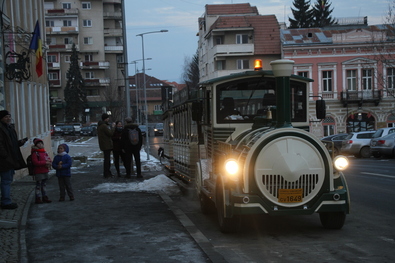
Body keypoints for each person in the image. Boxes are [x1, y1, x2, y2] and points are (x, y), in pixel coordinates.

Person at [0, 110, 28, 209]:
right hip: (5, 160)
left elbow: (11, 143)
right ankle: (6, 202)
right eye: (6, 117)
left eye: (9, 117)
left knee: (7, 180)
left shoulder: (10, 128)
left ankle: (6, 200)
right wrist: (5, 156)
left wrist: (20, 142)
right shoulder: (2, 128)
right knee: (6, 181)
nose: (8, 119)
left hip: (10, 159)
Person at [31, 138, 52, 204]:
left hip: (45, 170)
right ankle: (38, 197)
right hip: (39, 171)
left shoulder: (44, 152)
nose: (40, 145)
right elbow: (35, 162)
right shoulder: (35, 153)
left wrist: (49, 162)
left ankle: (44, 196)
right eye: (39, 144)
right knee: (38, 185)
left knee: (44, 185)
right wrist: (45, 162)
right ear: (36, 145)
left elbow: (48, 159)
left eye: (41, 143)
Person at [97, 113, 114, 178]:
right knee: (107, 160)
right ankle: (106, 173)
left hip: (104, 144)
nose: (108, 119)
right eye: (108, 118)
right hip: (106, 145)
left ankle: (107, 172)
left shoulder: (100, 125)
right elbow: (110, 133)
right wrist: (113, 127)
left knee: (107, 159)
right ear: (106, 119)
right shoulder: (104, 126)